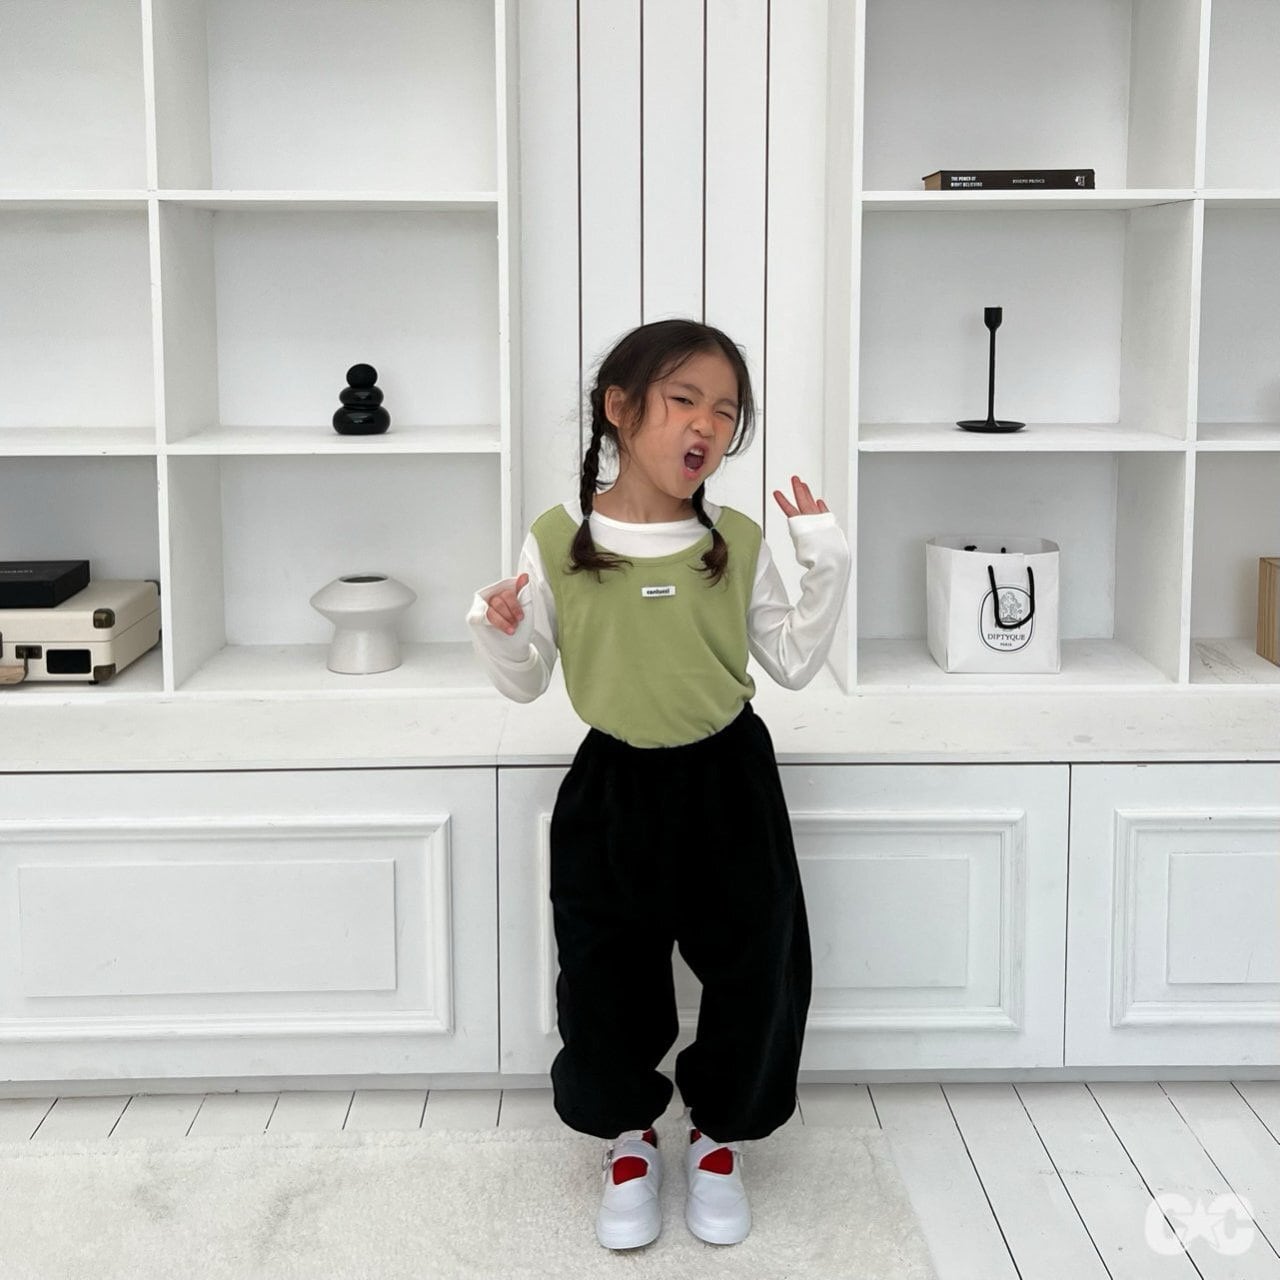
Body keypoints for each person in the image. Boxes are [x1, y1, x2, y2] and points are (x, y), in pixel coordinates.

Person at [465, 318, 850, 1251]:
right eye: (685, 400)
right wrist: (498, 626)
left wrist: (827, 561)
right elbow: (525, 681)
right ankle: (630, 1139)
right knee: (605, 976)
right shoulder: (558, 539)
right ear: (620, 408)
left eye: (726, 411)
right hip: (613, 789)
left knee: (757, 968)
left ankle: (718, 1137)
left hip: (731, 781)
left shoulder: (738, 541)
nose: (707, 425)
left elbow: (793, 663)